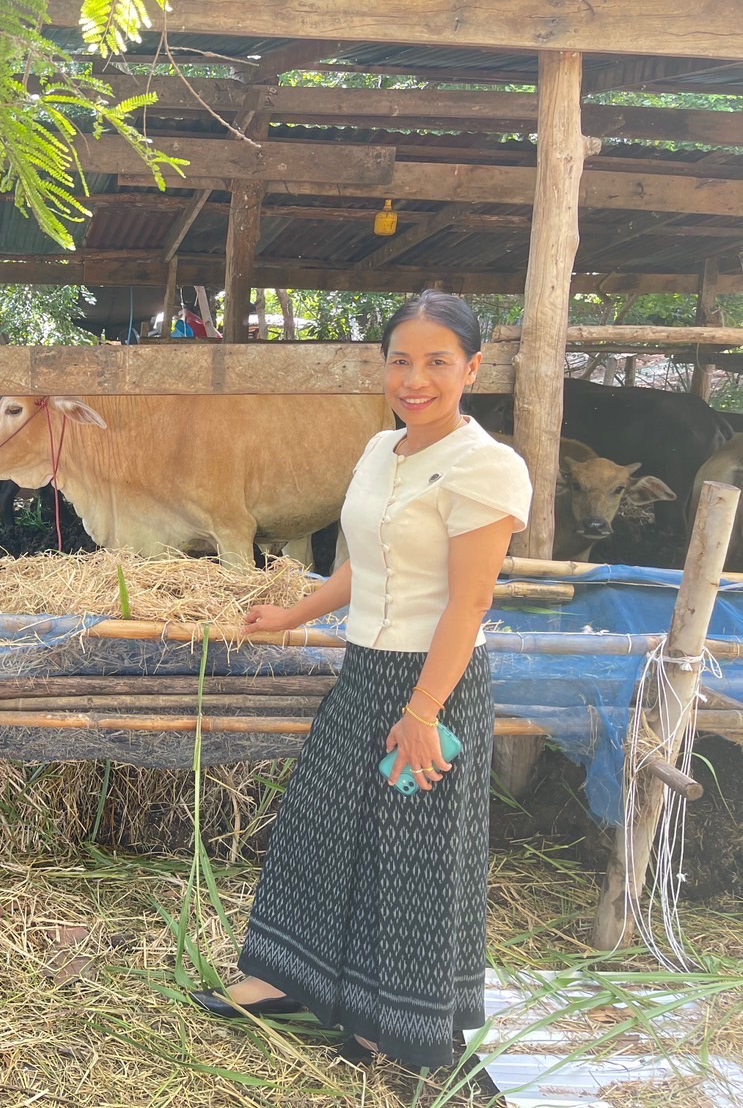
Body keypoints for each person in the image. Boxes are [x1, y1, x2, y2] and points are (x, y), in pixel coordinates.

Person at [188, 291, 532, 1069]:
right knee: (320, 822)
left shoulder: (486, 467)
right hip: (364, 670)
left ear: (471, 369)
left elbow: (468, 600)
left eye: (436, 361)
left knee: (411, 854)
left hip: (432, 685)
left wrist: (420, 710)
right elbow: (362, 563)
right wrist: (294, 614)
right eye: (400, 360)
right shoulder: (382, 451)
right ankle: (280, 981)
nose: (414, 378)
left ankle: (395, 1025)